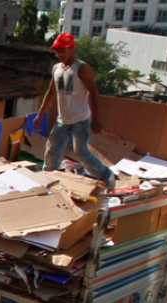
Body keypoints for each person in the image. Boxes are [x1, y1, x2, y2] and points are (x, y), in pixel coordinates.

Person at [35, 33, 116, 190]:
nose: (59, 55)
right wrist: (40, 114)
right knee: (52, 149)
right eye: (57, 51)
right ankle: (48, 180)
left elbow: (93, 92)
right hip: (62, 120)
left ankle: (107, 176)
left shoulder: (82, 68)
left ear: (71, 48)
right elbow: (51, 92)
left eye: (62, 51)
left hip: (80, 120)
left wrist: (96, 119)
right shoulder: (57, 69)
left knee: (81, 153)